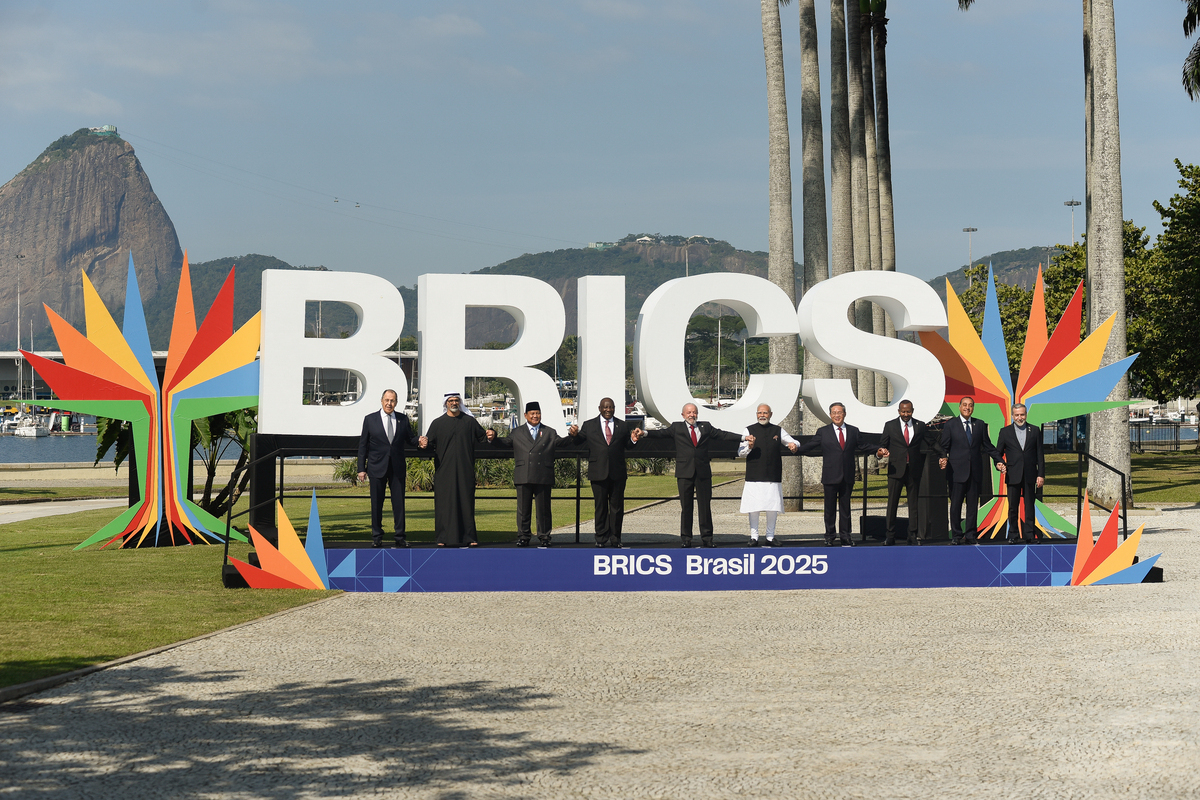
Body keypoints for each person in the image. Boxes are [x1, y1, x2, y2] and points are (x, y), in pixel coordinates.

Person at [645, 403, 746, 548]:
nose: (692, 415)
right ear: (683, 415)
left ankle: (707, 538)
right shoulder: (676, 427)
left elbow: (723, 435)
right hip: (685, 473)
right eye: (689, 412)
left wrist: (743, 438)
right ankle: (686, 538)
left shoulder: (706, 427)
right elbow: (661, 434)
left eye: (694, 412)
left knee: (705, 507)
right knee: (686, 507)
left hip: (703, 473)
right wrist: (645, 433)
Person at [491, 401, 573, 547]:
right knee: (523, 509)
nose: (535, 416)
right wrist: (493, 436)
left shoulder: (549, 432)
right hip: (524, 474)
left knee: (543, 509)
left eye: (538, 413)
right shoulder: (517, 432)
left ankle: (544, 536)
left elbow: (561, 443)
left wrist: (573, 436)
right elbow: (504, 442)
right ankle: (523, 536)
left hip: (543, 474)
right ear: (526, 415)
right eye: (532, 414)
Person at [419, 392, 496, 547]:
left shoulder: (469, 422)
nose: (453, 403)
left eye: (456, 401)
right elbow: (428, 445)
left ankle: (470, 537)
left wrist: (492, 433)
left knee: (466, 503)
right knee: (443, 505)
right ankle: (442, 538)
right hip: (444, 472)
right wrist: (423, 443)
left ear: (459, 403)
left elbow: (483, 438)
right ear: (446, 403)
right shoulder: (437, 423)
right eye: (450, 401)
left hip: (465, 470)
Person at [797, 402, 876, 547]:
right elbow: (810, 445)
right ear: (830, 415)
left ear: (844, 414)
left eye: (839, 412)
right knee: (829, 508)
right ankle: (830, 536)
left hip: (847, 476)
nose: (837, 415)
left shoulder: (853, 431)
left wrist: (879, 450)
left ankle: (846, 536)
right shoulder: (823, 431)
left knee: (845, 509)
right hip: (830, 475)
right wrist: (796, 448)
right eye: (834, 413)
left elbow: (864, 446)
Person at [568, 397, 643, 548]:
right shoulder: (589, 425)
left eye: (611, 407)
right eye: (605, 407)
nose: (608, 410)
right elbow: (579, 441)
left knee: (617, 507)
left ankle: (615, 539)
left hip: (618, 473)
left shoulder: (622, 425)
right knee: (600, 506)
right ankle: (601, 538)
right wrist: (574, 435)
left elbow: (628, 445)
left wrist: (634, 439)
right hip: (598, 472)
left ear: (614, 408)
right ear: (600, 408)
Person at [356, 389, 421, 548]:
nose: (389, 403)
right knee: (376, 504)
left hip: (397, 468)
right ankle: (377, 537)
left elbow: (410, 439)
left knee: (399, 504)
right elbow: (363, 446)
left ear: (396, 402)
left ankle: (400, 537)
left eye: (392, 401)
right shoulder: (370, 419)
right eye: (386, 400)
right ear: (381, 400)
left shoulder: (403, 419)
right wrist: (361, 469)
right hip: (376, 467)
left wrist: (420, 440)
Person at [938, 396, 1005, 545]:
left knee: (973, 506)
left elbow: (988, 446)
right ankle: (956, 535)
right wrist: (942, 458)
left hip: (974, 473)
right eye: (965, 405)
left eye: (970, 405)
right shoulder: (951, 425)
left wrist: (999, 460)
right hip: (956, 472)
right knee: (955, 505)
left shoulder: (979, 424)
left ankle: (970, 535)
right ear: (959, 406)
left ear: (973, 408)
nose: (967, 408)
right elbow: (944, 446)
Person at [876, 399, 942, 546]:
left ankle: (912, 535)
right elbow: (882, 446)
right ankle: (890, 535)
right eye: (903, 411)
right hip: (895, 470)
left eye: (908, 411)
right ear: (899, 411)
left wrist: (942, 454)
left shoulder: (920, 426)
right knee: (892, 504)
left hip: (913, 470)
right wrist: (880, 453)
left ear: (913, 411)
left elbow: (932, 442)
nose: (906, 414)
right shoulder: (890, 425)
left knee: (913, 504)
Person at [736, 404, 799, 547]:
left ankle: (770, 537)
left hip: (772, 475)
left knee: (772, 507)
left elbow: (793, 441)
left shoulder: (777, 430)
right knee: (754, 507)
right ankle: (754, 537)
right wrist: (749, 447)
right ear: (756, 414)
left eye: (765, 413)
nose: (762, 415)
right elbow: (740, 452)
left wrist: (793, 445)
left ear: (770, 414)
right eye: (759, 413)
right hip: (754, 475)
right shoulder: (749, 429)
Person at [994, 403, 1045, 544]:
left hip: (1030, 475)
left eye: (1022, 414)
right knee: (1012, 507)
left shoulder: (1034, 430)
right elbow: (998, 454)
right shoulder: (1005, 432)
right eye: (1016, 415)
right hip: (1013, 474)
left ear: (1026, 414)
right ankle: (1013, 534)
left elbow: (1040, 455)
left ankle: (1029, 534)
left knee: (1029, 506)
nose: (1019, 417)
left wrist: (1041, 474)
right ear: (1012, 416)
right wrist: (999, 464)